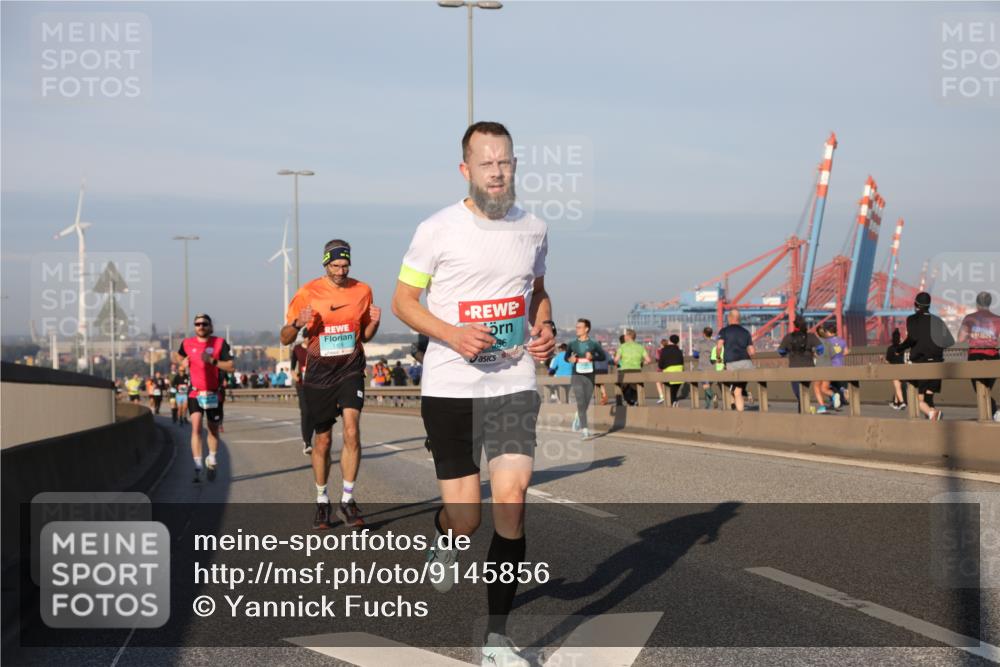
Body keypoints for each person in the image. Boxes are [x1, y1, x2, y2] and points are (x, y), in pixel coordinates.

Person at [391, 121, 555, 667]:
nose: (497, 172)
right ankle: (444, 534)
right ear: (466, 169)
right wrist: (453, 333)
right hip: (451, 387)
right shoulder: (436, 229)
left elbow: (536, 291)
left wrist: (545, 326)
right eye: (486, 163)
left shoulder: (534, 228)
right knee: (467, 519)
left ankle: (496, 640)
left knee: (512, 501)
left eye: (505, 162)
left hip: (511, 382)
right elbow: (404, 302)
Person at [280, 239, 381, 530]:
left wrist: (374, 323)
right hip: (319, 374)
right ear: (326, 264)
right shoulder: (308, 292)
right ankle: (322, 501)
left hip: (350, 369)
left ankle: (347, 501)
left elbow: (366, 336)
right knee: (323, 440)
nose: (341, 270)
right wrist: (298, 322)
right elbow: (285, 338)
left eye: (345, 265)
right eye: (336, 265)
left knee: (352, 430)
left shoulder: (363, 290)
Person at [177, 313, 235, 482]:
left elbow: (231, 366)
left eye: (204, 324)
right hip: (195, 392)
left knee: (213, 428)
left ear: (210, 326)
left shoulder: (219, 343)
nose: (200, 327)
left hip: (213, 393)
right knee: (195, 427)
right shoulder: (187, 343)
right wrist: (182, 363)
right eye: (197, 324)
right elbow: (179, 356)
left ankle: (212, 458)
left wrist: (212, 361)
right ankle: (197, 466)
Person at [896, 291, 955, 420]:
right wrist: (935, 347)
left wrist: (899, 348)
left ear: (915, 304)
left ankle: (932, 414)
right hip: (937, 363)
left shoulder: (912, 319)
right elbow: (950, 341)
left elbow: (912, 339)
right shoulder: (937, 320)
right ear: (929, 305)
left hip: (921, 363)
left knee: (914, 399)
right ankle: (932, 422)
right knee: (928, 397)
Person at [957, 291, 1000, 421]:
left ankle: (992, 414)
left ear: (977, 304)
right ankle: (992, 415)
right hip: (993, 357)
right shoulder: (998, 319)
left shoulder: (969, 318)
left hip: (975, 356)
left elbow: (960, 339)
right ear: (990, 303)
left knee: (980, 390)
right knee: (986, 389)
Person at [565, 319, 608, 439]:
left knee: (586, 402)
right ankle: (585, 430)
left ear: (586, 329)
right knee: (580, 401)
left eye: (579, 327)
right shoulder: (572, 344)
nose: (576, 329)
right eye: (576, 327)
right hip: (577, 375)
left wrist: (593, 356)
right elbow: (566, 357)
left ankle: (578, 416)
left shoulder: (594, 344)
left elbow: (603, 356)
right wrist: (570, 360)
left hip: (589, 375)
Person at [777, 315, 822, 412]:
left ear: (794, 325)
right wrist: (817, 353)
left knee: (798, 393)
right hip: (809, 367)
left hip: (794, 367)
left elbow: (780, 351)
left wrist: (786, 353)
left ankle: (803, 410)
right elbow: (820, 349)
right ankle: (804, 410)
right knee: (804, 389)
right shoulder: (811, 336)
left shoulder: (788, 337)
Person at [716, 310, 755, 412]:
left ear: (729, 318)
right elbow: (752, 351)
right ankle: (739, 412)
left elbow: (719, 346)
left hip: (732, 363)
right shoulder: (746, 332)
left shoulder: (724, 331)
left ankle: (738, 413)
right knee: (738, 391)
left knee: (731, 388)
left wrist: (718, 357)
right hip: (747, 364)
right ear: (739, 319)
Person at [290, 333, 319, 456]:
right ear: (304, 338)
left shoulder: (317, 347)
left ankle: (309, 437)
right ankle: (306, 442)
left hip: (316, 384)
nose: (309, 340)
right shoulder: (297, 349)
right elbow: (292, 366)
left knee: (313, 412)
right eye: (308, 338)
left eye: (311, 338)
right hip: (302, 384)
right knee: (305, 411)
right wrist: (294, 375)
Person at [613, 329, 649, 406]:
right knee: (636, 388)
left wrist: (619, 364)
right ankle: (635, 401)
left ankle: (630, 401)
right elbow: (648, 360)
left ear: (628, 336)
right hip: (637, 370)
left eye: (625, 335)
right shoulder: (640, 347)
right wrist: (641, 363)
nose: (624, 337)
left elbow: (616, 360)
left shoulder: (622, 347)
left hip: (625, 371)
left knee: (624, 388)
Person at [692, 327, 718, 409]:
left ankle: (713, 396)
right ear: (711, 334)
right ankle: (707, 405)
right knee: (708, 385)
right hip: (713, 367)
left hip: (702, 367)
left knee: (705, 385)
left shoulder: (699, 342)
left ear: (704, 333)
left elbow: (695, 355)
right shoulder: (715, 343)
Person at [657, 334, 685, 406]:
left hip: (668, 375)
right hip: (679, 374)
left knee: (669, 392)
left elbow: (660, 365)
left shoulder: (664, 350)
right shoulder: (679, 351)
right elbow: (682, 362)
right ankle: (674, 401)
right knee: (673, 392)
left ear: (669, 341)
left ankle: (672, 403)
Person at [885, 328, 907, 410]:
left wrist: (882, 360)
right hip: (901, 368)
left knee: (897, 387)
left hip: (893, 369)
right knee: (898, 386)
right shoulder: (902, 348)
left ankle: (902, 403)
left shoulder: (890, 349)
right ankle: (895, 403)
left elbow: (887, 361)